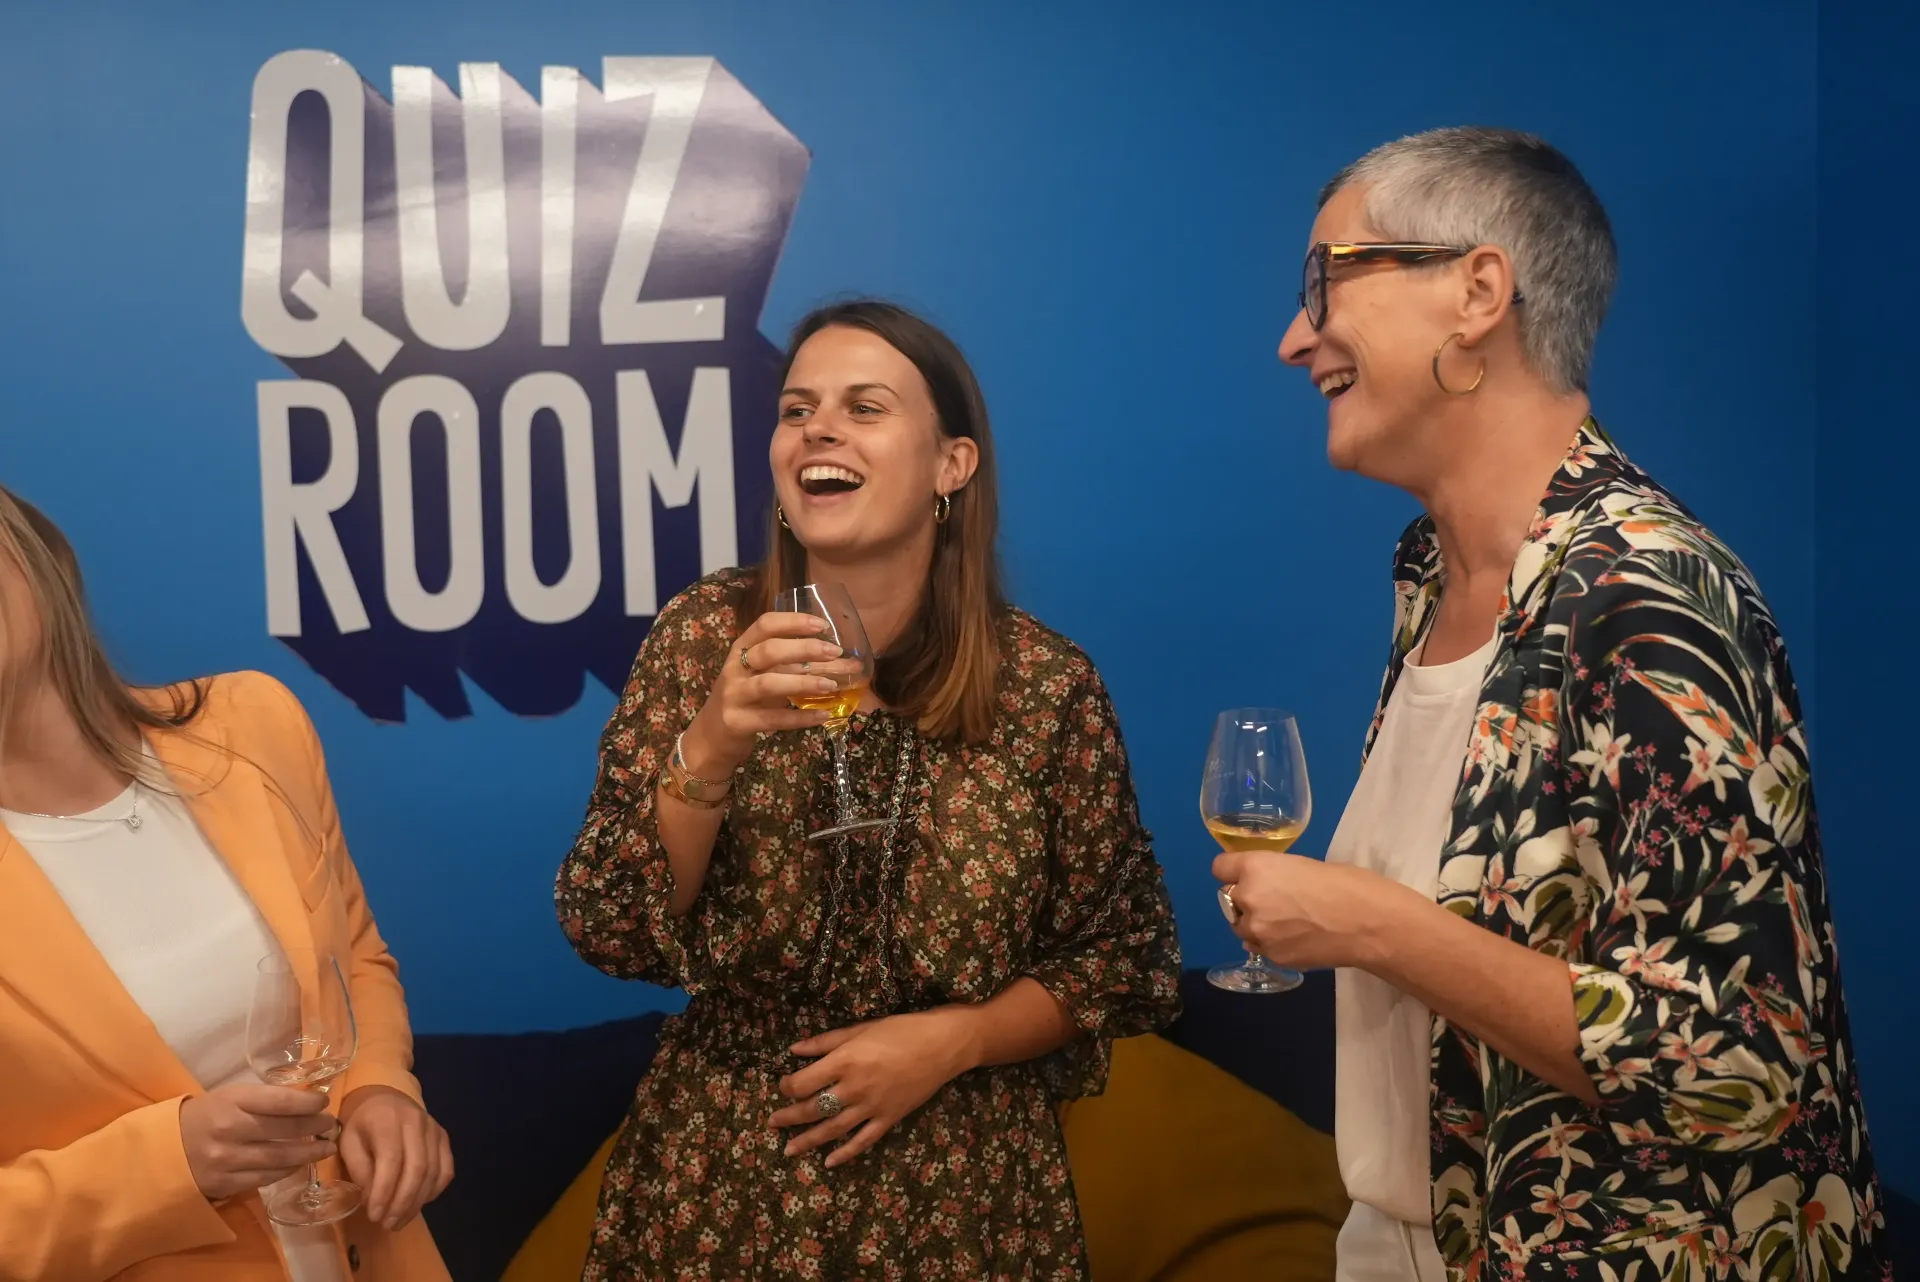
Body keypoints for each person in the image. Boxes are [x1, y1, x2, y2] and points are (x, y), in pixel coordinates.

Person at [1213, 128, 1887, 1281]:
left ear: (1479, 291)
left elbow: (1736, 1059)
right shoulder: (1431, 581)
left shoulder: (1651, 592)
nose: (1293, 337)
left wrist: (1369, 923)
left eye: (1326, 280)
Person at [557, 299, 1183, 1280]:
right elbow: (610, 923)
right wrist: (713, 740)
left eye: (864, 406)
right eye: (797, 407)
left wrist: (958, 1038)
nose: (819, 428)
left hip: (968, 1204)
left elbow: (1122, 959)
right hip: (725, 1187)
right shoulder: (701, 637)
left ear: (952, 466)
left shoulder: (1048, 686)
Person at [0, 485, 454, 1282]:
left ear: (37, 554)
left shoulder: (251, 725)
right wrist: (166, 1167)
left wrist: (380, 1092)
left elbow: (354, 958)